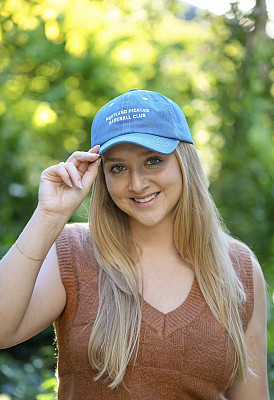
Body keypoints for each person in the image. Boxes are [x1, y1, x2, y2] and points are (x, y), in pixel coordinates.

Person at [0, 89, 269, 400]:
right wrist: (49, 215)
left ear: (185, 162)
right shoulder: (73, 252)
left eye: (153, 161)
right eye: (118, 168)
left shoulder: (239, 266)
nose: (137, 183)